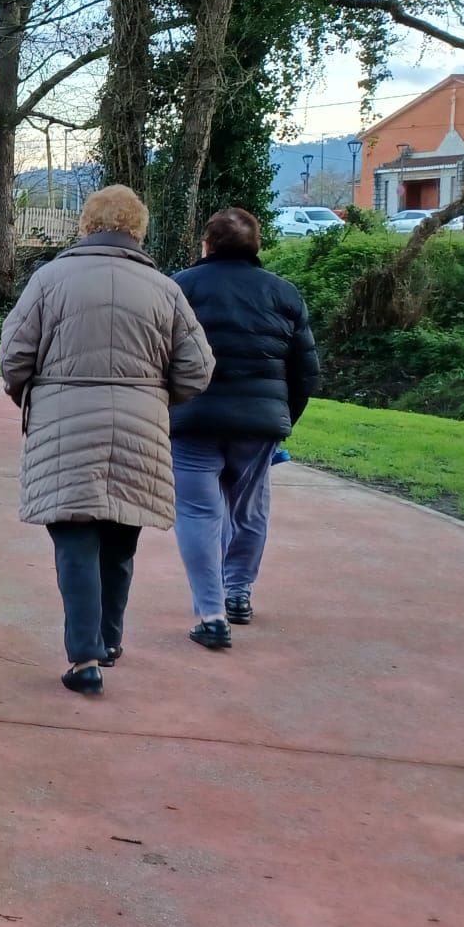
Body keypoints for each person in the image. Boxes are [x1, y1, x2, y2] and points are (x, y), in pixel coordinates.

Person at [0, 186, 213, 694]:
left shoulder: (49, 279)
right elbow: (197, 369)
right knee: (119, 538)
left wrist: (32, 393)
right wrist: (155, 398)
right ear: (138, 230)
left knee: (75, 540)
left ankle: (84, 659)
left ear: (86, 226)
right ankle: (109, 641)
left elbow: (13, 356)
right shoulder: (165, 290)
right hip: (141, 427)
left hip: (64, 425)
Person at [168, 208, 321, 648]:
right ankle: (239, 593)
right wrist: (281, 421)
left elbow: (157, 357)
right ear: (257, 247)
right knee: (249, 510)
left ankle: (211, 613)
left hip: (193, 419)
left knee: (198, 511)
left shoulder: (179, 288)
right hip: (258, 426)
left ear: (207, 244)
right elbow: (306, 372)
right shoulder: (283, 293)